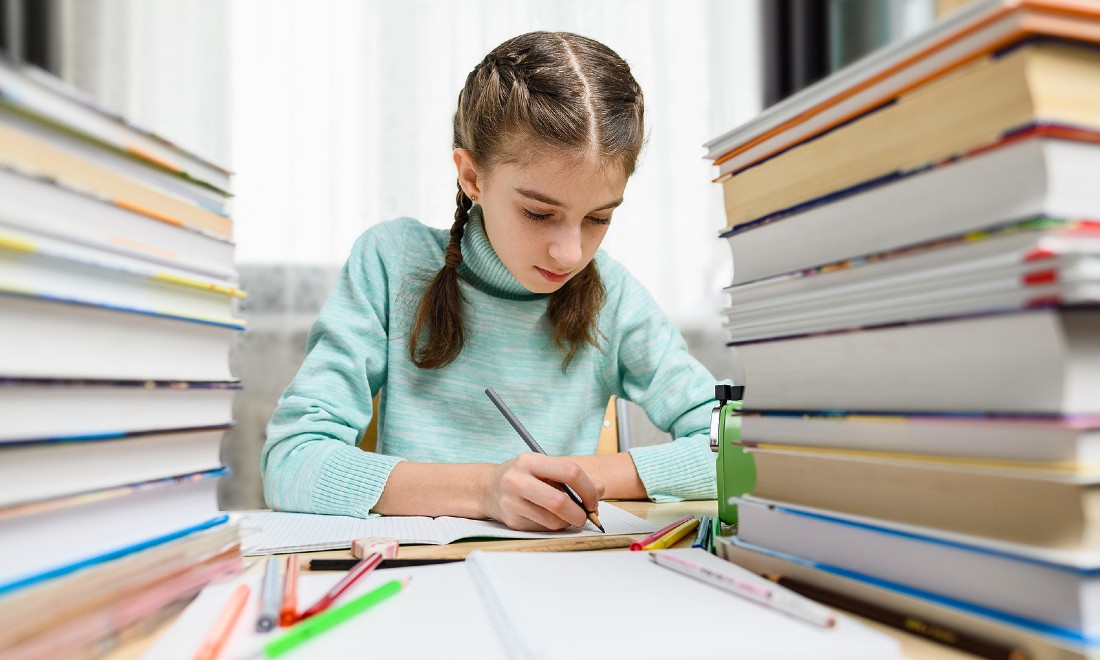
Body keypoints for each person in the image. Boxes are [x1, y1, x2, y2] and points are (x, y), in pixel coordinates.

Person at [262, 31, 720, 532]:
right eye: (539, 213)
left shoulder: (613, 295)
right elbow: (292, 460)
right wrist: (486, 489)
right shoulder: (392, 263)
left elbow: (739, 447)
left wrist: (575, 478)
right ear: (472, 177)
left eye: (599, 217)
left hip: (560, 580)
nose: (571, 254)